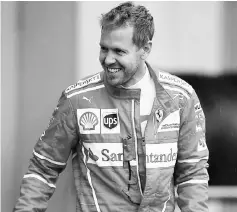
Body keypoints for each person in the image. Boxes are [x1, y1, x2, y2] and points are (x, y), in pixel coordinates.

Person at [13, 1, 209, 212]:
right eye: (103, 48)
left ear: (145, 49)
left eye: (119, 51)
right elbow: (42, 169)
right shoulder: (77, 100)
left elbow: (192, 174)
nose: (107, 59)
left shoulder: (181, 97)